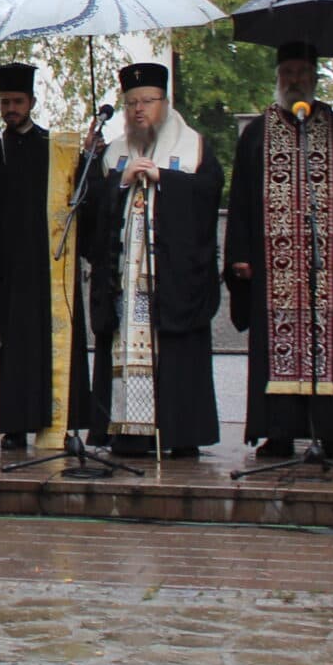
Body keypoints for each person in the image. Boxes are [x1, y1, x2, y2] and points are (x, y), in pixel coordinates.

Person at [226, 42, 333, 460]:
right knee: (272, 350)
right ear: (278, 77)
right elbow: (240, 199)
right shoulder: (257, 132)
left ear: (314, 76)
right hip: (272, 272)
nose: (294, 80)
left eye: (301, 72)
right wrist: (239, 252)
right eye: (287, 72)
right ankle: (278, 432)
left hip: (329, 270)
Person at [85, 63, 222, 459]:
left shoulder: (193, 146)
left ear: (164, 102)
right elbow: (93, 216)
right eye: (131, 103)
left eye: (147, 101)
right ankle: (129, 432)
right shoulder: (113, 153)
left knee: (176, 354)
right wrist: (120, 181)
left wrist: (164, 178)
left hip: (172, 279)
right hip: (127, 283)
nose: (138, 110)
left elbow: (209, 195)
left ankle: (179, 432)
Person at [0, 63, 89, 451]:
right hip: (11, 267)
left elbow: (79, 199)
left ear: (32, 102)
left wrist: (89, 159)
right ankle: (15, 426)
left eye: (17, 101)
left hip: (51, 263)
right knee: (16, 347)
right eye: (5, 102)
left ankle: (64, 420)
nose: (10, 108)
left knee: (55, 343)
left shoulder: (54, 147)